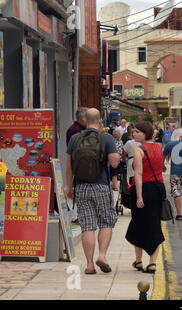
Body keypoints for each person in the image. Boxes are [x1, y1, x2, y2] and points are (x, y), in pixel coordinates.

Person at [65, 108, 120, 274]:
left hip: (81, 186)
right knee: (106, 222)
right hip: (102, 185)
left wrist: (69, 186)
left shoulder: (75, 138)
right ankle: (102, 256)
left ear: (85, 120)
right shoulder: (107, 138)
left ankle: (89, 265)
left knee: (87, 226)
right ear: (100, 120)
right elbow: (115, 163)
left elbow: (69, 166)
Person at [125, 121, 166, 274]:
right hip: (158, 189)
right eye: (133, 131)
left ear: (145, 133)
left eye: (137, 132)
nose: (134, 134)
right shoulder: (159, 148)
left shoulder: (138, 150)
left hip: (143, 188)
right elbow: (161, 168)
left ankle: (139, 260)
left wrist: (139, 196)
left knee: (138, 223)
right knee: (154, 223)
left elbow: (139, 174)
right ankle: (152, 263)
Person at [66, 107, 88, 224]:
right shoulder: (76, 131)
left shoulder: (77, 129)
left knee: (77, 189)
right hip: (78, 165)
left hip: (78, 164)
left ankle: (77, 214)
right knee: (76, 189)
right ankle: (75, 216)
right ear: (83, 119)